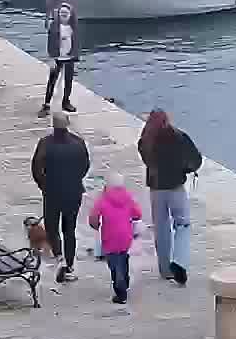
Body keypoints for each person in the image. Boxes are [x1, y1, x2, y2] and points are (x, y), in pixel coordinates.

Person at [138, 109, 202, 285]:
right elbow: (195, 159)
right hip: (175, 186)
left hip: (156, 188)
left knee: (161, 228)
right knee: (183, 224)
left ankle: (165, 269)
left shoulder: (145, 140)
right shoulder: (179, 137)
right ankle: (179, 261)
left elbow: (146, 159)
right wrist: (186, 169)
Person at [31, 109, 91, 282]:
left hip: (52, 192)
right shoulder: (78, 143)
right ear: (68, 124)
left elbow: (36, 168)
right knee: (69, 230)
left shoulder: (45, 144)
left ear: (53, 125)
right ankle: (70, 265)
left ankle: (59, 257)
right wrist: (75, 179)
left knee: (52, 227)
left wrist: (43, 184)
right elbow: (85, 165)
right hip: (73, 191)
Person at [87, 171, 143, 304]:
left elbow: (93, 217)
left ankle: (120, 290)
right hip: (126, 235)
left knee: (114, 262)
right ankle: (125, 279)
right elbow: (138, 214)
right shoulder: (128, 197)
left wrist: (96, 225)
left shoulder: (103, 199)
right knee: (123, 256)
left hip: (109, 236)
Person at [41, 1, 79, 115]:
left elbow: (77, 43)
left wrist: (76, 56)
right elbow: (50, 44)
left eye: (66, 13)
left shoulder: (74, 27)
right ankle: (46, 104)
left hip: (69, 58)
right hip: (57, 58)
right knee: (52, 82)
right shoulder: (54, 26)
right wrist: (51, 58)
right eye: (62, 13)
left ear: (70, 15)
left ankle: (66, 102)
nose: (63, 15)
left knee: (68, 82)